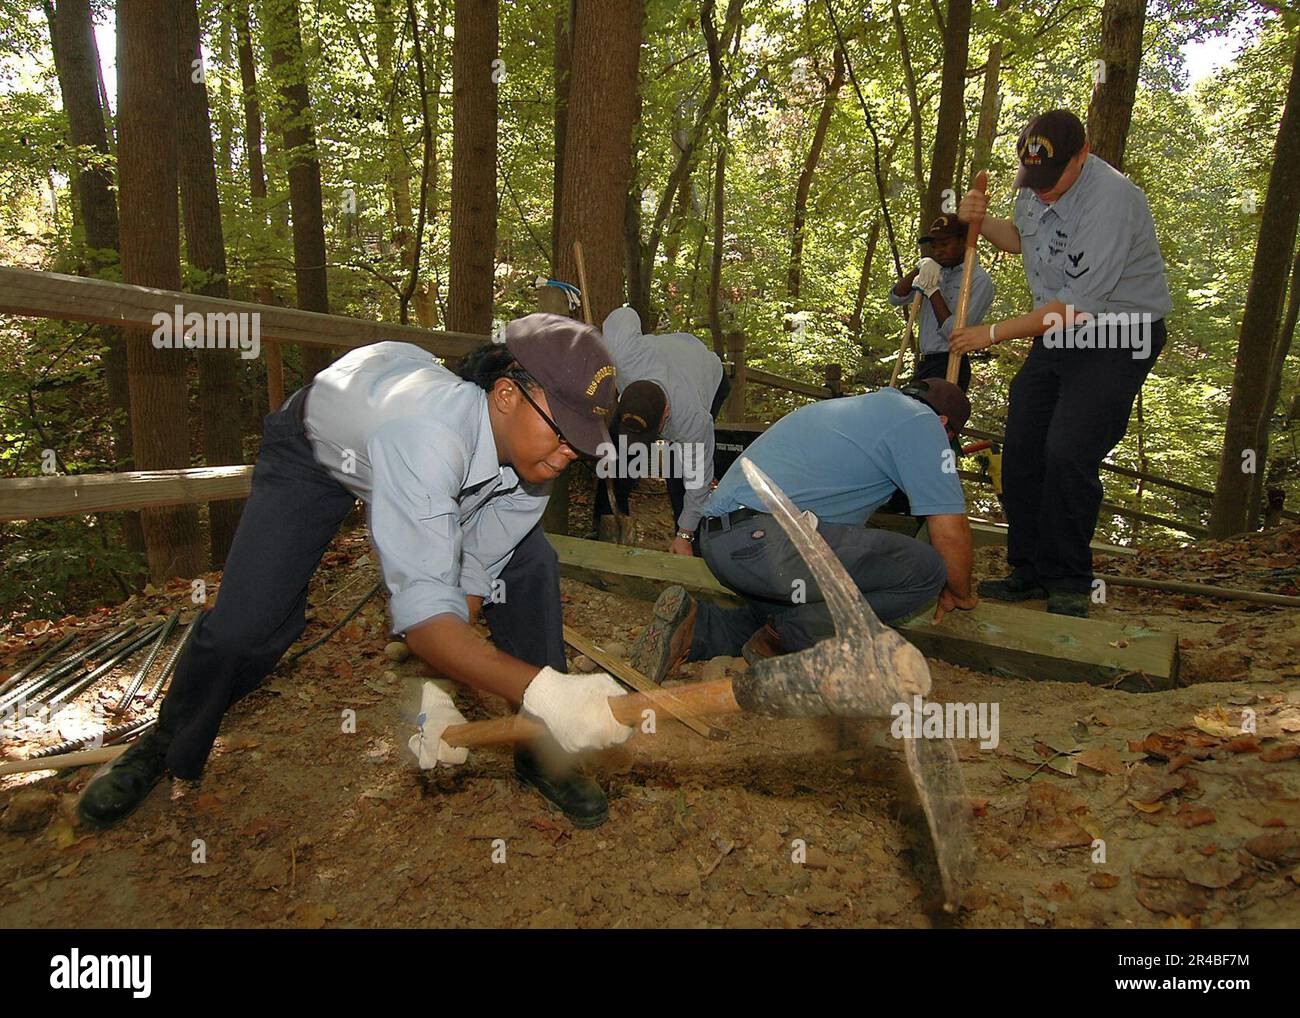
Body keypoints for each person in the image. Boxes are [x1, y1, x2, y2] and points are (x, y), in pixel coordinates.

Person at [78, 314, 634, 831]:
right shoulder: (427, 438)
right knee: (246, 627)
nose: (568, 455)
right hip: (317, 451)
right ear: (507, 394)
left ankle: (542, 751)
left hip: (413, 439)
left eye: (581, 443)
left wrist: (443, 686)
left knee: (530, 565)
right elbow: (425, 622)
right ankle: (166, 740)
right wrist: (548, 691)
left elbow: (469, 577)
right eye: (562, 432)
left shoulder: (532, 468)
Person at [949, 109, 1171, 617]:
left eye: (1053, 180)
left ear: (1082, 155)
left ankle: (1069, 579)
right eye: (1035, 181)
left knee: (1069, 450)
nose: (1042, 191)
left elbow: (1076, 305)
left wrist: (992, 333)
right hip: (1058, 331)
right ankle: (1028, 569)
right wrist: (979, 224)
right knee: (1023, 445)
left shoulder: (1112, 201)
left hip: (1118, 334)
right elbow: (1024, 240)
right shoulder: (1034, 181)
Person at [629, 380, 979, 681]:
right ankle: (788, 641)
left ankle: (699, 626)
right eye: (948, 440)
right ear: (943, 423)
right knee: (926, 569)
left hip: (723, 543)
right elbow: (949, 531)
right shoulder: (921, 421)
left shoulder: (860, 413)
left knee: (789, 608)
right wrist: (959, 592)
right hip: (767, 541)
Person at [592, 306, 730, 555]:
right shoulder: (622, 357)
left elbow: (698, 484)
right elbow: (626, 314)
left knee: (679, 470)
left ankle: (689, 545)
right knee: (618, 455)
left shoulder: (691, 421)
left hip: (708, 373)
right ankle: (606, 526)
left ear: (666, 414)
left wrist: (685, 534)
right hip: (663, 358)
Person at [888, 213, 994, 391]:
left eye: (945, 245)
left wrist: (933, 292)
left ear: (964, 241)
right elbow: (896, 297)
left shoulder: (979, 280)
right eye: (934, 246)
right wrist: (920, 266)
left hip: (952, 361)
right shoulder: (935, 270)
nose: (938, 251)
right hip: (926, 362)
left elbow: (955, 333)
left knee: (937, 418)